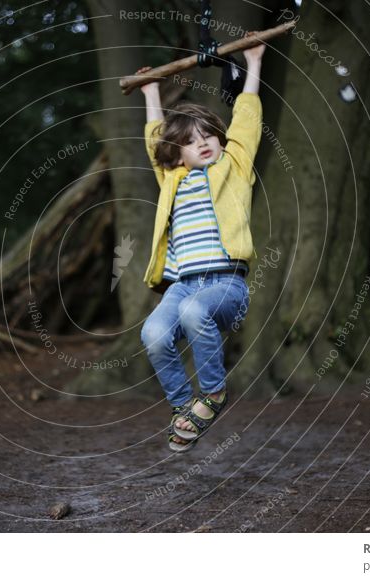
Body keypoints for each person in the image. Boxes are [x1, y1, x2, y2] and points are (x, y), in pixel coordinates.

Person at [137, 36, 266, 452]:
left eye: (209, 134)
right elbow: (156, 142)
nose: (204, 142)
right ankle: (182, 407)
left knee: (195, 313)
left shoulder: (234, 168)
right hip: (182, 285)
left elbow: (245, 126)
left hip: (225, 283)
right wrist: (151, 90)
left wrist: (253, 62)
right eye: (192, 141)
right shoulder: (172, 180)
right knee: (154, 333)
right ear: (178, 155)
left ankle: (212, 394)